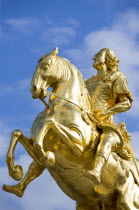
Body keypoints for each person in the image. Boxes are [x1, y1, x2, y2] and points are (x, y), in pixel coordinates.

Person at [85, 48, 133, 185]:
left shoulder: (117, 77)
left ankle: (96, 169)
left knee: (107, 140)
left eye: (98, 55)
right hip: (85, 118)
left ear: (107, 59)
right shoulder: (87, 81)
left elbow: (126, 103)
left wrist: (105, 113)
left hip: (105, 122)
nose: (94, 58)